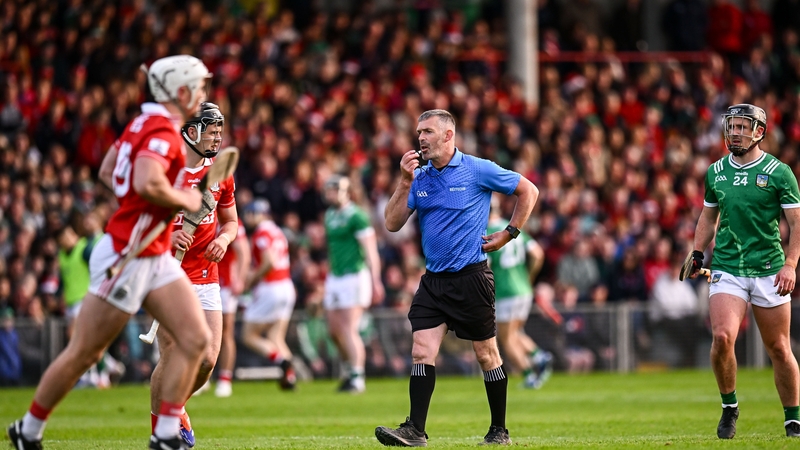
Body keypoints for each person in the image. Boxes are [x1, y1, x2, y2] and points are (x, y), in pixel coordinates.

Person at [7, 54, 212, 450]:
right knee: (84, 353)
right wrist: (182, 199)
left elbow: (107, 170)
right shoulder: (162, 131)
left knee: (195, 338)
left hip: (151, 252)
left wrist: (146, 208)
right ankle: (27, 430)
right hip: (128, 256)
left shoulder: (141, 123)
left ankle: (166, 434)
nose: (203, 94)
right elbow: (148, 181)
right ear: (181, 91)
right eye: (199, 87)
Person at [376, 109, 538, 446]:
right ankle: (415, 431)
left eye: (429, 132)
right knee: (422, 350)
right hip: (433, 280)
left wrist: (509, 233)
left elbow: (529, 191)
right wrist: (404, 180)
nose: (421, 138)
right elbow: (391, 224)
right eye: (420, 132)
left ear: (449, 135)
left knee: (487, 355)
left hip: (471, 278)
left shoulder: (478, 169)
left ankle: (499, 430)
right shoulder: (418, 178)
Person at [689, 103, 800, 439]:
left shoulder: (780, 172)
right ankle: (729, 407)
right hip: (727, 267)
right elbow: (708, 217)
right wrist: (697, 252)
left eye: (742, 127)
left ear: (759, 132)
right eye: (732, 126)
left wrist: (791, 265)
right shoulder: (715, 171)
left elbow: (796, 225)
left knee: (779, 347)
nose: (735, 132)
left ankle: (792, 419)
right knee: (722, 337)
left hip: (768, 268)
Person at [149, 102, 238, 448]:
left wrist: (225, 239)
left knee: (206, 360)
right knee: (172, 355)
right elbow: (136, 221)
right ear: (190, 131)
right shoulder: (162, 172)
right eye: (211, 130)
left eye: (219, 130)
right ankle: (163, 431)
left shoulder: (220, 174)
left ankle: (177, 408)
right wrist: (166, 236)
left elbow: (230, 221)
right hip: (164, 274)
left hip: (204, 272)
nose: (217, 137)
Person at [322, 174, 385, 393]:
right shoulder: (329, 215)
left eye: (334, 190)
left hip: (355, 276)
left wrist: (376, 280)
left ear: (346, 192)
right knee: (333, 330)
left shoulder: (357, 216)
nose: (330, 194)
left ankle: (358, 377)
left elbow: (370, 250)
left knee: (349, 328)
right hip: (335, 276)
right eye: (328, 190)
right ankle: (350, 370)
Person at [485, 195, 552, 389]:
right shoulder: (511, 227)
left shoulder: (487, 232)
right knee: (515, 332)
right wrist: (528, 278)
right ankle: (538, 355)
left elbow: (487, 266)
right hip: (523, 288)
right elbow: (537, 254)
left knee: (505, 338)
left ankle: (530, 374)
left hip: (505, 291)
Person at [242, 199, 298, 390]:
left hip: (271, 287)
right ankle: (290, 376)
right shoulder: (277, 231)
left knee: (249, 335)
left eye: (251, 213)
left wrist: (251, 280)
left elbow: (269, 261)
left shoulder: (261, 233)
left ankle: (281, 362)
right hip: (286, 286)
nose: (248, 217)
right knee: (276, 336)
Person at [214, 217, 250, 398]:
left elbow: (243, 251)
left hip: (225, 283)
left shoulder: (227, 219)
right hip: (201, 279)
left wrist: (240, 279)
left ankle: (225, 378)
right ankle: (199, 378)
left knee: (225, 331)